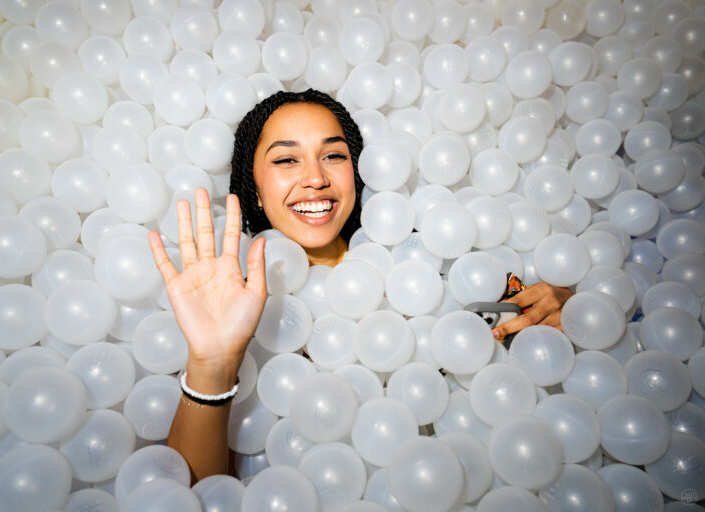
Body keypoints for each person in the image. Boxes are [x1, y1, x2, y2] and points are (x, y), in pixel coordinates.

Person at [147, 89, 572, 483]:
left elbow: (522, 337)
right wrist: (212, 363)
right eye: (286, 160)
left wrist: (561, 307)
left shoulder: (430, 262)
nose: (315, 178)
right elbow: (195, 493)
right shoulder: (234, 308)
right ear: (254, 189)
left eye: (333, 155)